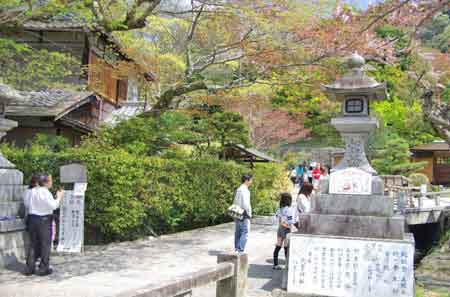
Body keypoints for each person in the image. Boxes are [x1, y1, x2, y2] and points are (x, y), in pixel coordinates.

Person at [25, 174, 64, 276]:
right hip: (44, 219)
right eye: (50, 180)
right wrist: (59, 197)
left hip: (32, 218)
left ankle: (30, 267)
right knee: (45, 244)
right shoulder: (45, 192)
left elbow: (27, 204)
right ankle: (43, 268)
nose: (51, 182)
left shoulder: (32, 191)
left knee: (33, 243)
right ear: (46, 182)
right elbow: (54, 205)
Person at [273, 193, 295, 270]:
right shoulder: (289, 210)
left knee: (278, 246)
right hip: (287, 229)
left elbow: (276, 219)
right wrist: (290, 227)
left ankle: (275, 264)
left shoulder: (279, 209)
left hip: (280, 229)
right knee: (286, 247)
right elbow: (290, 221)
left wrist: (282, 223)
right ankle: (287, 265)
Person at [233, 174, 253, 253]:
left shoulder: (239, 189)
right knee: (245, 232)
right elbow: (245, 204)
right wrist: (248, 213)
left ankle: (236, 248)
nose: (251, 182)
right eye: (251, 180)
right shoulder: (245, 190)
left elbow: (235, 202)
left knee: (238, 231)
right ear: (246, 180)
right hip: (244, 213)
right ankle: (240, 249)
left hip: (237, 212)